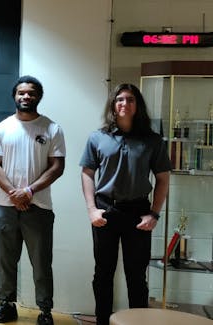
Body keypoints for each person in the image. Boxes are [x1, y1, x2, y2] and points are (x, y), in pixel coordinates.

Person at [80, 84, 170, 325]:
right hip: (105, 211)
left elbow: (163, 179)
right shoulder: (98, 137)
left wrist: (154, 214)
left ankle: (137, 321)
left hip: (138, 213)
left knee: (137, 276)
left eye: (130, 99)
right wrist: (91, 209)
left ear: (137, 105)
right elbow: (87, 173)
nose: (124, 104)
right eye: (119, 99)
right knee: (103, 274)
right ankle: (102, 321)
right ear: (113, 105)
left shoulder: (152, 141)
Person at [0, 75, 65, 325]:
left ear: (38, 97)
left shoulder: (51, 128)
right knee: (5, 261)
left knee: (41, 263)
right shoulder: (2, 128)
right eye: (21, 93)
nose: (26, 97)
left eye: (31, 93)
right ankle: (7, 305)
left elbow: (57, 167)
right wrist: (13, 192)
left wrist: (29, 191)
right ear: (15, 96)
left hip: (38, 207)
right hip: (5, 207)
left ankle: (44, 311)